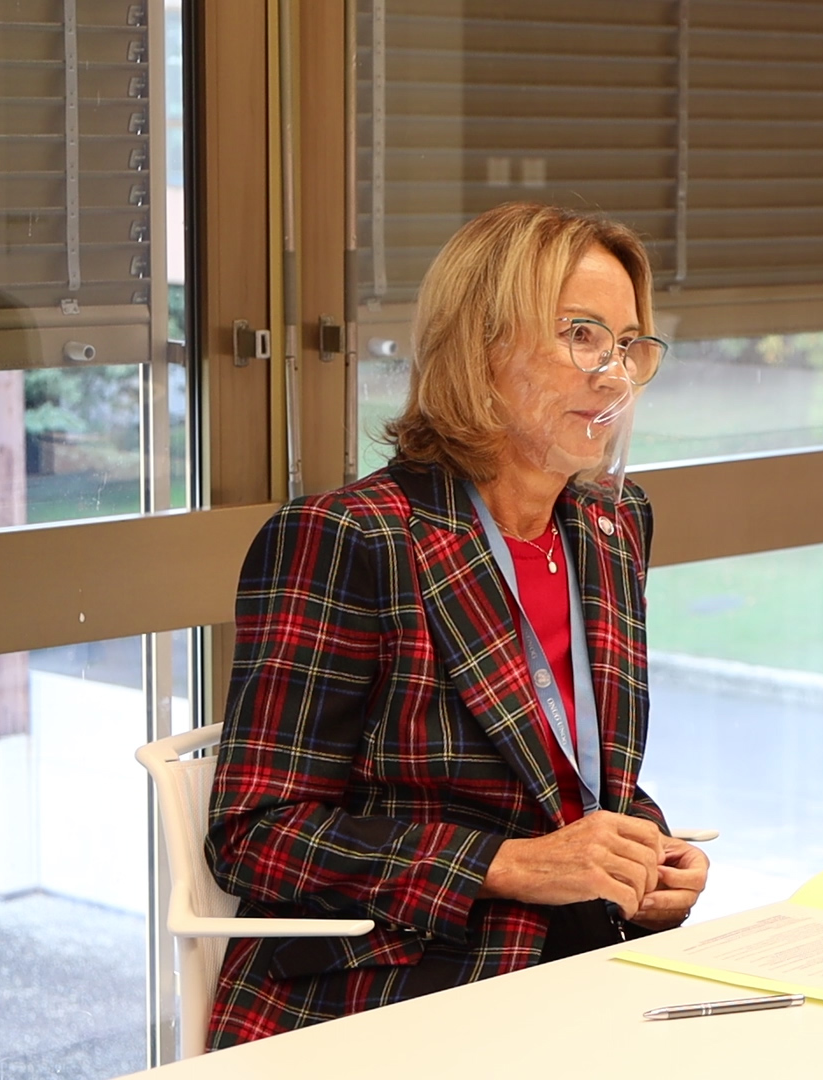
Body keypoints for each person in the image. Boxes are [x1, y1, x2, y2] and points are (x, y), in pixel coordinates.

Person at [205, 202, 707, 1047]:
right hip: (393, 988)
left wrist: (647, 851)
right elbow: (255, 838)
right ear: (481, 349)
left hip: (585, 964)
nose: (614, 375)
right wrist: (507, 865)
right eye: (580, 336)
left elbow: (564, 772)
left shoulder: (612, 524)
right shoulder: (351, 537)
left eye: (628, 345)